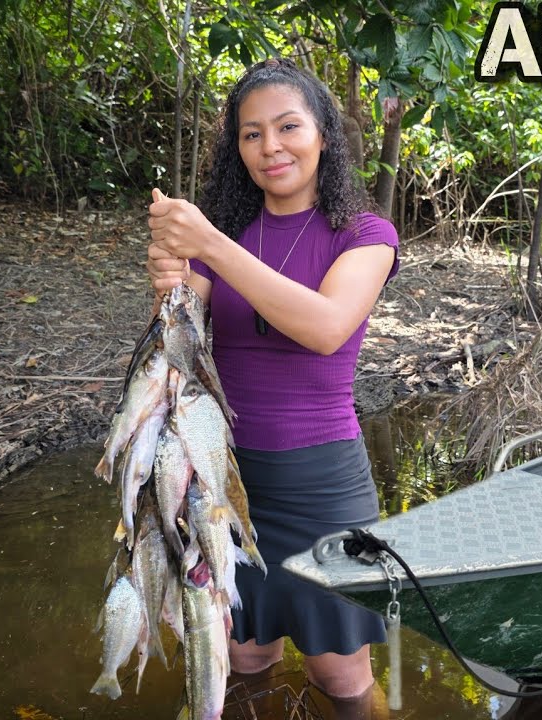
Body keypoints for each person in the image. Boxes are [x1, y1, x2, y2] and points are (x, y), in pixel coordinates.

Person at [145, 57, 399, 712]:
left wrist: (211, 244)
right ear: (238, 149)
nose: (270, 146)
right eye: (251, 134)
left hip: (322, 484)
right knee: (243, 659)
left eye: (287, 127)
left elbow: (326, 327)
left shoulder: (366, 236)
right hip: (226, 480)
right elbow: (179, 351)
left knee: (341, 679)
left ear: (323, 135)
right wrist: (167, 286)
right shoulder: (221, 236)